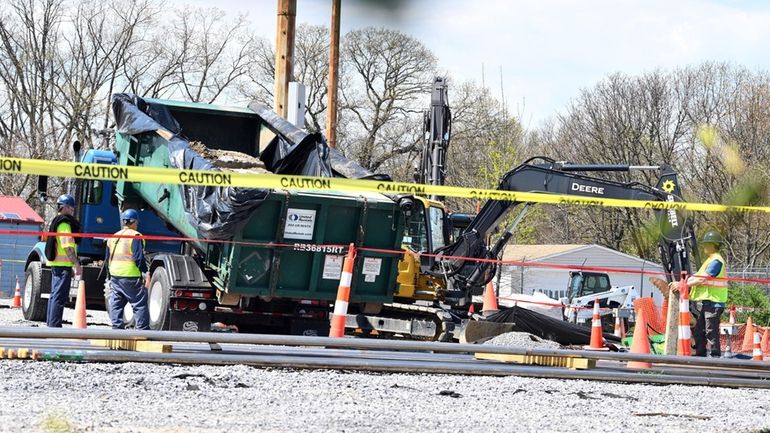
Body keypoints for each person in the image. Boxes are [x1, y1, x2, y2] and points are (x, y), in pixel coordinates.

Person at [670, 230, 728, 357]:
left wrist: (681, 285)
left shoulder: (716, 261)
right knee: (699, 330)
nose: (704, 247)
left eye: (706, 244)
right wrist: (682, 283)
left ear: (712, 245)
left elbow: (703, 279)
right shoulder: (710, 260)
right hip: (709, 302)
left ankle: (715, 356)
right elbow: (697, 277)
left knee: (710, 331)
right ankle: (701, 355)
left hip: (714, 302)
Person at [105, 209, 150, 330]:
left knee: (116, 302)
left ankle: (117, 328)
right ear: (134, 222)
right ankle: (142, 331)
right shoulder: (135, 236)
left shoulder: (114, 236)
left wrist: (109, 275)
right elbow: (138, 258)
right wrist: (146, 273)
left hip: (115, 275)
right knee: (139, 303)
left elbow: (107, 258)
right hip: (130, 276)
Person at [46, 194, 81, 327]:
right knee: (59, 297)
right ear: (65, 207)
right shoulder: (64, 224)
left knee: (54, 295)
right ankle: (54, 327)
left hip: (57, 265)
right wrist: (76, 264)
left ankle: (51, 325)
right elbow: (68, 247)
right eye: (71, 209)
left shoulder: (55, 221)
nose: (72, 212)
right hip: (63, 266)